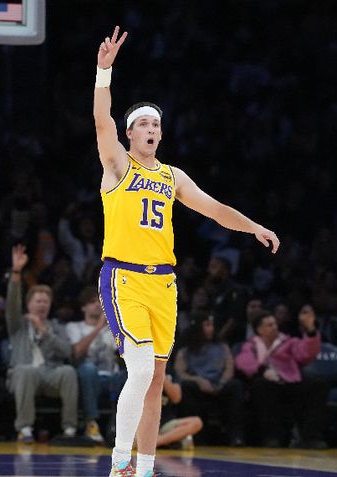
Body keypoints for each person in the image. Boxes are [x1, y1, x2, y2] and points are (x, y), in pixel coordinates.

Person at [94, 26, 280, 477]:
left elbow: (215, 209)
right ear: (130, 132)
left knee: (155, 380)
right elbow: (101, 121)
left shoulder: (172, 176)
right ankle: (119, 463)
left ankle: (145, 469)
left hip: (164, 285)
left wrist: (253, 226)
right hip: (124, 278)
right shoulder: (116, 164)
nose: (151, 129)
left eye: (156, 125)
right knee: (140, 371)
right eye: (144, 124)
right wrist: (104, 72)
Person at [5, 245, 78, 444]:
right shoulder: (18, 324)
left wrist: (45, 333)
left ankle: (70, 429)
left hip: (49, 374)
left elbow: (67, 352)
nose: (42, 305)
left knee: (68, 371)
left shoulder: (56, 327)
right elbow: (12, 303)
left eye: (46, 302)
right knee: (26, 370)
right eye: (38, 301)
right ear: (29, 304)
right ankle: (25, 429)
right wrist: (16, 272)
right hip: (23, 375)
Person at [235, 306, 326, 448]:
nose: (275, 327)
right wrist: (263, 370)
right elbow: (243, 361)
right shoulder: (251, 345)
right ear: (259, 329)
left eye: (275, 324)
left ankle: (311, 437)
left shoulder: (288, 342)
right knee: (262, 386)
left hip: (290, 380)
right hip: (266, 383)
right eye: (269, 325)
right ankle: (272, 437)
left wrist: (311, 331)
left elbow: (305, 354)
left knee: (317, 384)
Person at [173, 313, 246, 446]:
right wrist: (198, 380)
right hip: (198, 388)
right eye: (207, 325)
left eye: (212, 325)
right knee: (187, 387)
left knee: (236, 385)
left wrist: (221, 384)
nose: (211, 328)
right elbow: (180, 373)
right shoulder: (185, 351)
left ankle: (236, 436)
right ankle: (197, 436)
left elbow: (229, 368)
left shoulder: (222, 347)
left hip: (219, 386)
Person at [66, 286, 124, 443]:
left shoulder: (114, 329)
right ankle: (91, 422)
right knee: (89, 369)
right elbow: (77, 352)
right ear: (83, 307)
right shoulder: (74, 327)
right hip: (88, 377)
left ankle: (123, 428)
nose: (98, 304)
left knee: (129, 375)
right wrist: (99, 327)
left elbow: (124, 356)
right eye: (92, 302)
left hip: (111, 378)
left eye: (100, 301)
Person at [156, 373, 203, 449]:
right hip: (143, 421)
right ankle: (172, 442)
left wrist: (161, 375)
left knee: (196, 422)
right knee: (186, 441)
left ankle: (156, 442)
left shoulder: (170, 371)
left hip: (165, 422)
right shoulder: (140, 369)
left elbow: (176, 398)